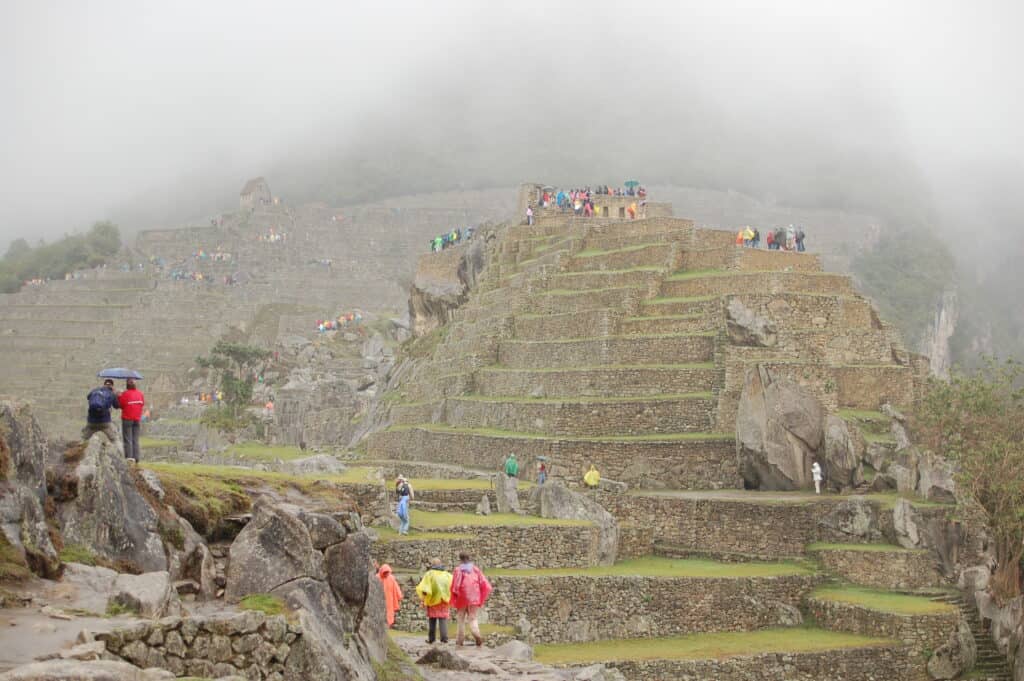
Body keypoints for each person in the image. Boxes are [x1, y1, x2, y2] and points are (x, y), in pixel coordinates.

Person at [450, 552, 491, 647]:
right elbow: (484, 583)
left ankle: (460, 640)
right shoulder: (476, 569)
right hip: (474, 597)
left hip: (462, 597)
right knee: (473, 618)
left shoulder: (458, 570)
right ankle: (477, 634)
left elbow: (455, 585)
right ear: (469, 558)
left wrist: (455, 595)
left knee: (461, 619)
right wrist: (480, 594)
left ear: (460, 559)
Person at [416, 557, 452, 644]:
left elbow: (425, 588)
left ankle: (431, 639)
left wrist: (423, 600)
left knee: (432, 619)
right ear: (440, 564)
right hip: (444, 600)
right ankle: (444, 639)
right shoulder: (447, 575)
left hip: (432, 600)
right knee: (443, 618)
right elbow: (452, 587)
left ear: (432, 565)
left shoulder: (429, 574)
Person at [84, 379, 120, 443]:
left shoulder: (95, 390)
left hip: (91, 422)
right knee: (115, 440)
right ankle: (122, 453)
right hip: (105, 422)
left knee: (83, 438)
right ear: (112, 385)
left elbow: (88, 397)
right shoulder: (111, 393)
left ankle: (76, 451)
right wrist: (115, 395)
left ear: (104, 384)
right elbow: (117, 406)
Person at [119, 378, 145, 462]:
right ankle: (136, 458)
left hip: (127, 419)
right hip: (137, 419)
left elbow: (121, 405)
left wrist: (119, 396)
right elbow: (142, 404)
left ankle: (129, 458)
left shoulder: (125, 394)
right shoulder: (140, 394)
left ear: (127, 385)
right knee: (135, 439)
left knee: (128, 439)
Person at [377, 563, 403, 628]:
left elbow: (396, 588)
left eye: (387, 572)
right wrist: (399, 596)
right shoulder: (377, 577)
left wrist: (399, 596)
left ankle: (386, 628)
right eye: (385, 572)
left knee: (388, 616)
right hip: (380, 601)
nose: (386, 574)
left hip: (389, 602)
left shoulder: (391, 578)